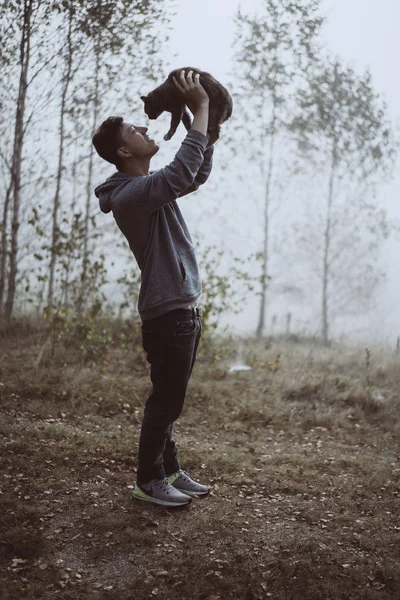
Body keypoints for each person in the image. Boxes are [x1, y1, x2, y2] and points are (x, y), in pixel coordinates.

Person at [92, 70, 214, 507]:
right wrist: (198, 109)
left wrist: (209, 126)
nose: (144, 127)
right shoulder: (131, 196)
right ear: (124, 151)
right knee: (166, 401)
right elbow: (180, 173)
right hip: (168, 315)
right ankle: (149, 480)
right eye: (133, 129)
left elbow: (192, 175)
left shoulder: (145, 188)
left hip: (180, 310)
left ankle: (170, 471)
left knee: (170, 399)